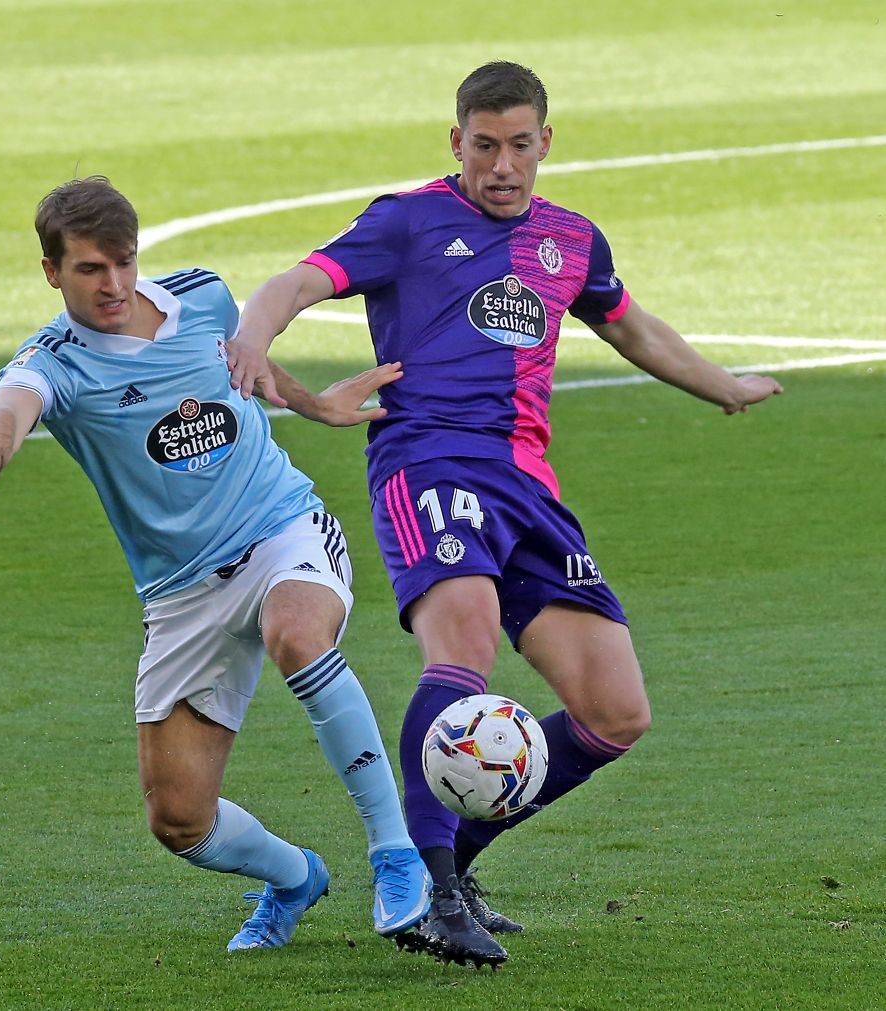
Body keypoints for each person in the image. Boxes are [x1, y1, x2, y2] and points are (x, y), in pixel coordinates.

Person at [226, 61, 783, 967]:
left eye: (519, 145)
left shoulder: (572, 239)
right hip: (428, 460)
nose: (502, 166)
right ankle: (426, 890)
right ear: (458, 143)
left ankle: (459, 859)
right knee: (466, 649)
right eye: (484, 146)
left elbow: (629, 324)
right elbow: (293, 283)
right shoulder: (406, 220)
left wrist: (722, 386)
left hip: (529, 486)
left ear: (544, 143)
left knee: (615, 710)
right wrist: (254, 338)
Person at [0, 176, 433, 953]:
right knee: (180, 819)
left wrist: (313, 403)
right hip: (181, 593)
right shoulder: (52, 362)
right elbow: (7, 415)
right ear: (52, 271)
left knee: (298, 630)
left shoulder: (204, 298)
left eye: (123, 262)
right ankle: (295, 876)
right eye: (90, 268)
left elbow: (245, 365)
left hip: (280, 529)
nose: (114, 284)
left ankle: (397, 853)